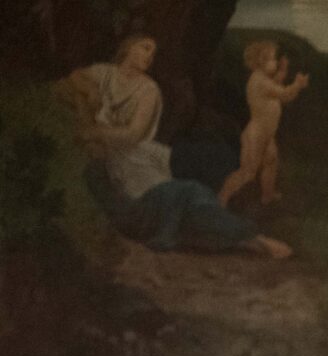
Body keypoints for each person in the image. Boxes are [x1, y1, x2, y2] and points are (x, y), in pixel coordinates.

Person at [58, 36, 289, 258]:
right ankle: (252, 238)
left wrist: (95, 130)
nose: (150, 55)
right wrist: (88, 93)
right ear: (128, 48)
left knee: (197, 188)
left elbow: (134, 134)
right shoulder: (105, 73)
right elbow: (70, 80)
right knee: (189, 194)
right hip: (130, 173)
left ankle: (248, 237)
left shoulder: (148, 89)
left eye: (153, 52)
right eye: (145, 47)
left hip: (139, 157)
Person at [218, 41, 310, 209]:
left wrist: (282, 70)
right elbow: (284, 94)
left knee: (271, 161)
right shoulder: (260, 82)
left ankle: (267, 195)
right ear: (261, 62)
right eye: (273, 59)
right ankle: (221, 198)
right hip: (256, 134)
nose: (276, 62)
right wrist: (297, 84)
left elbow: (276, 84)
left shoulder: (264, 79)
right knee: (248, 172)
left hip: (267, 134)